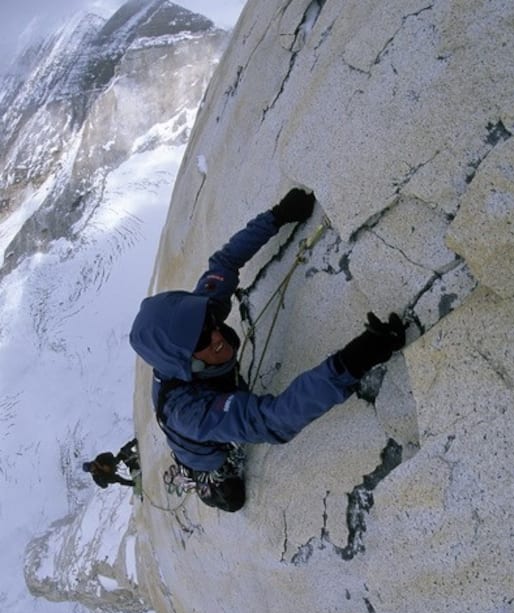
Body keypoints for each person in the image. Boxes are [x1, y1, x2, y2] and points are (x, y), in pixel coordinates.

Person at [129, 189, 405, 512]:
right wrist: (355, 360)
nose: (217, 334)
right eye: (203, 341)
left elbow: (225, 262)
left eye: (209, 323)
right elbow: (271, 421)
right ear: (186, 360)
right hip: (203, 451)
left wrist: (277, 216)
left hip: (210, 396)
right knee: (233, 500)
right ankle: (206, 482)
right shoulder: (188, 412)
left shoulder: (193, 320)